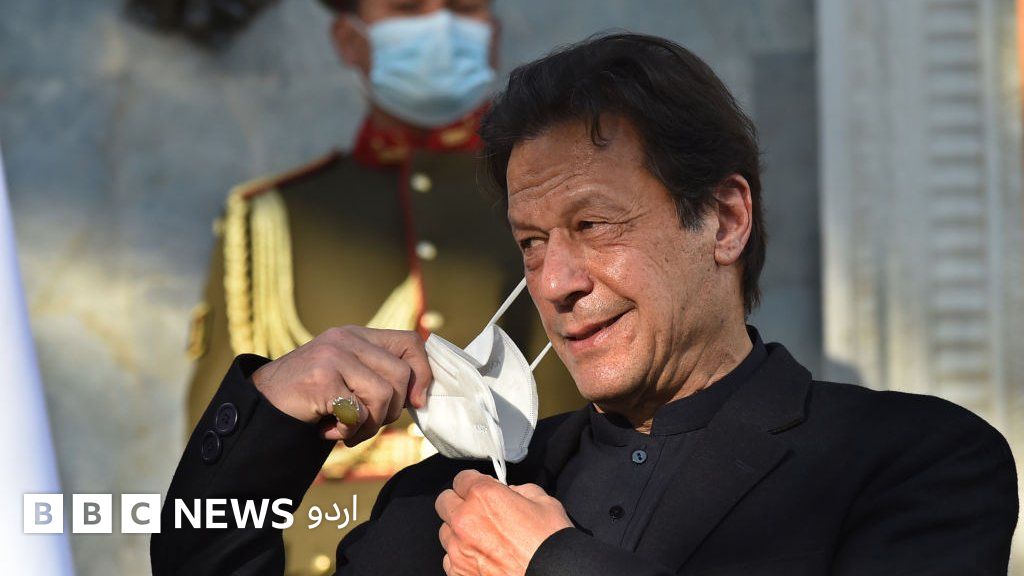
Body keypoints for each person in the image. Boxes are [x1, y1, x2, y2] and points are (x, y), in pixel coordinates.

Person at [154, 33, 1018, 575]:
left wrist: (554, 566)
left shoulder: (915, 459)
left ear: (724, 219)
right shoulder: (438, 503)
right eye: (531, 242)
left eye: (593, 225)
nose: (555, 281)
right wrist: (269, 421)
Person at [181, 0, 579, 573]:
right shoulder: (274, 217)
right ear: (350, 39)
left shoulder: (560, 207)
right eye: (407, 7)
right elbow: (221, 475)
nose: (440, 27)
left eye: (463, 6)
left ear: (492, 34)